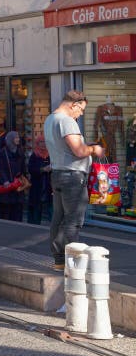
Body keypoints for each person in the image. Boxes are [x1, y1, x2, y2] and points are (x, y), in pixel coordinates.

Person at [44, 90, 105, 271]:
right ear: (74, 105)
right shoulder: (66, 121)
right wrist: (94, 149)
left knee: (59, 218)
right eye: (81, 110)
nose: (81, 114)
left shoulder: (50, 119)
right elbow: (79, 151)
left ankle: (59, 260)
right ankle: (73, 262)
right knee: (73, 220)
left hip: (58, 174)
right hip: (72, 176)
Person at [0, 131, 27, 221]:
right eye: (16, 138)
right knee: (6, 209)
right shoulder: (3, 152)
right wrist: (5, 180)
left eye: (18, 137)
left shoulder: (20, 151)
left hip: (18, 184)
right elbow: (0, 168)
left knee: (17, 208)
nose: (18, 139)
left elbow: (23, 167)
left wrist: (24, 178)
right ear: (11, 139)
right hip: (7, 185)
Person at [27, 134, 52, 224]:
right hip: (37, 186)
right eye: (41, 142)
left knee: (50, 207)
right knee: (36, 207)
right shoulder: (34, 155)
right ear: (37, 143)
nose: (43, 144)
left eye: (45, 142)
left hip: (49, 186)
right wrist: (42, 169)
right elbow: (31, 169)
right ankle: (34, 224)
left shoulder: (50, 155)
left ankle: (55, 227)